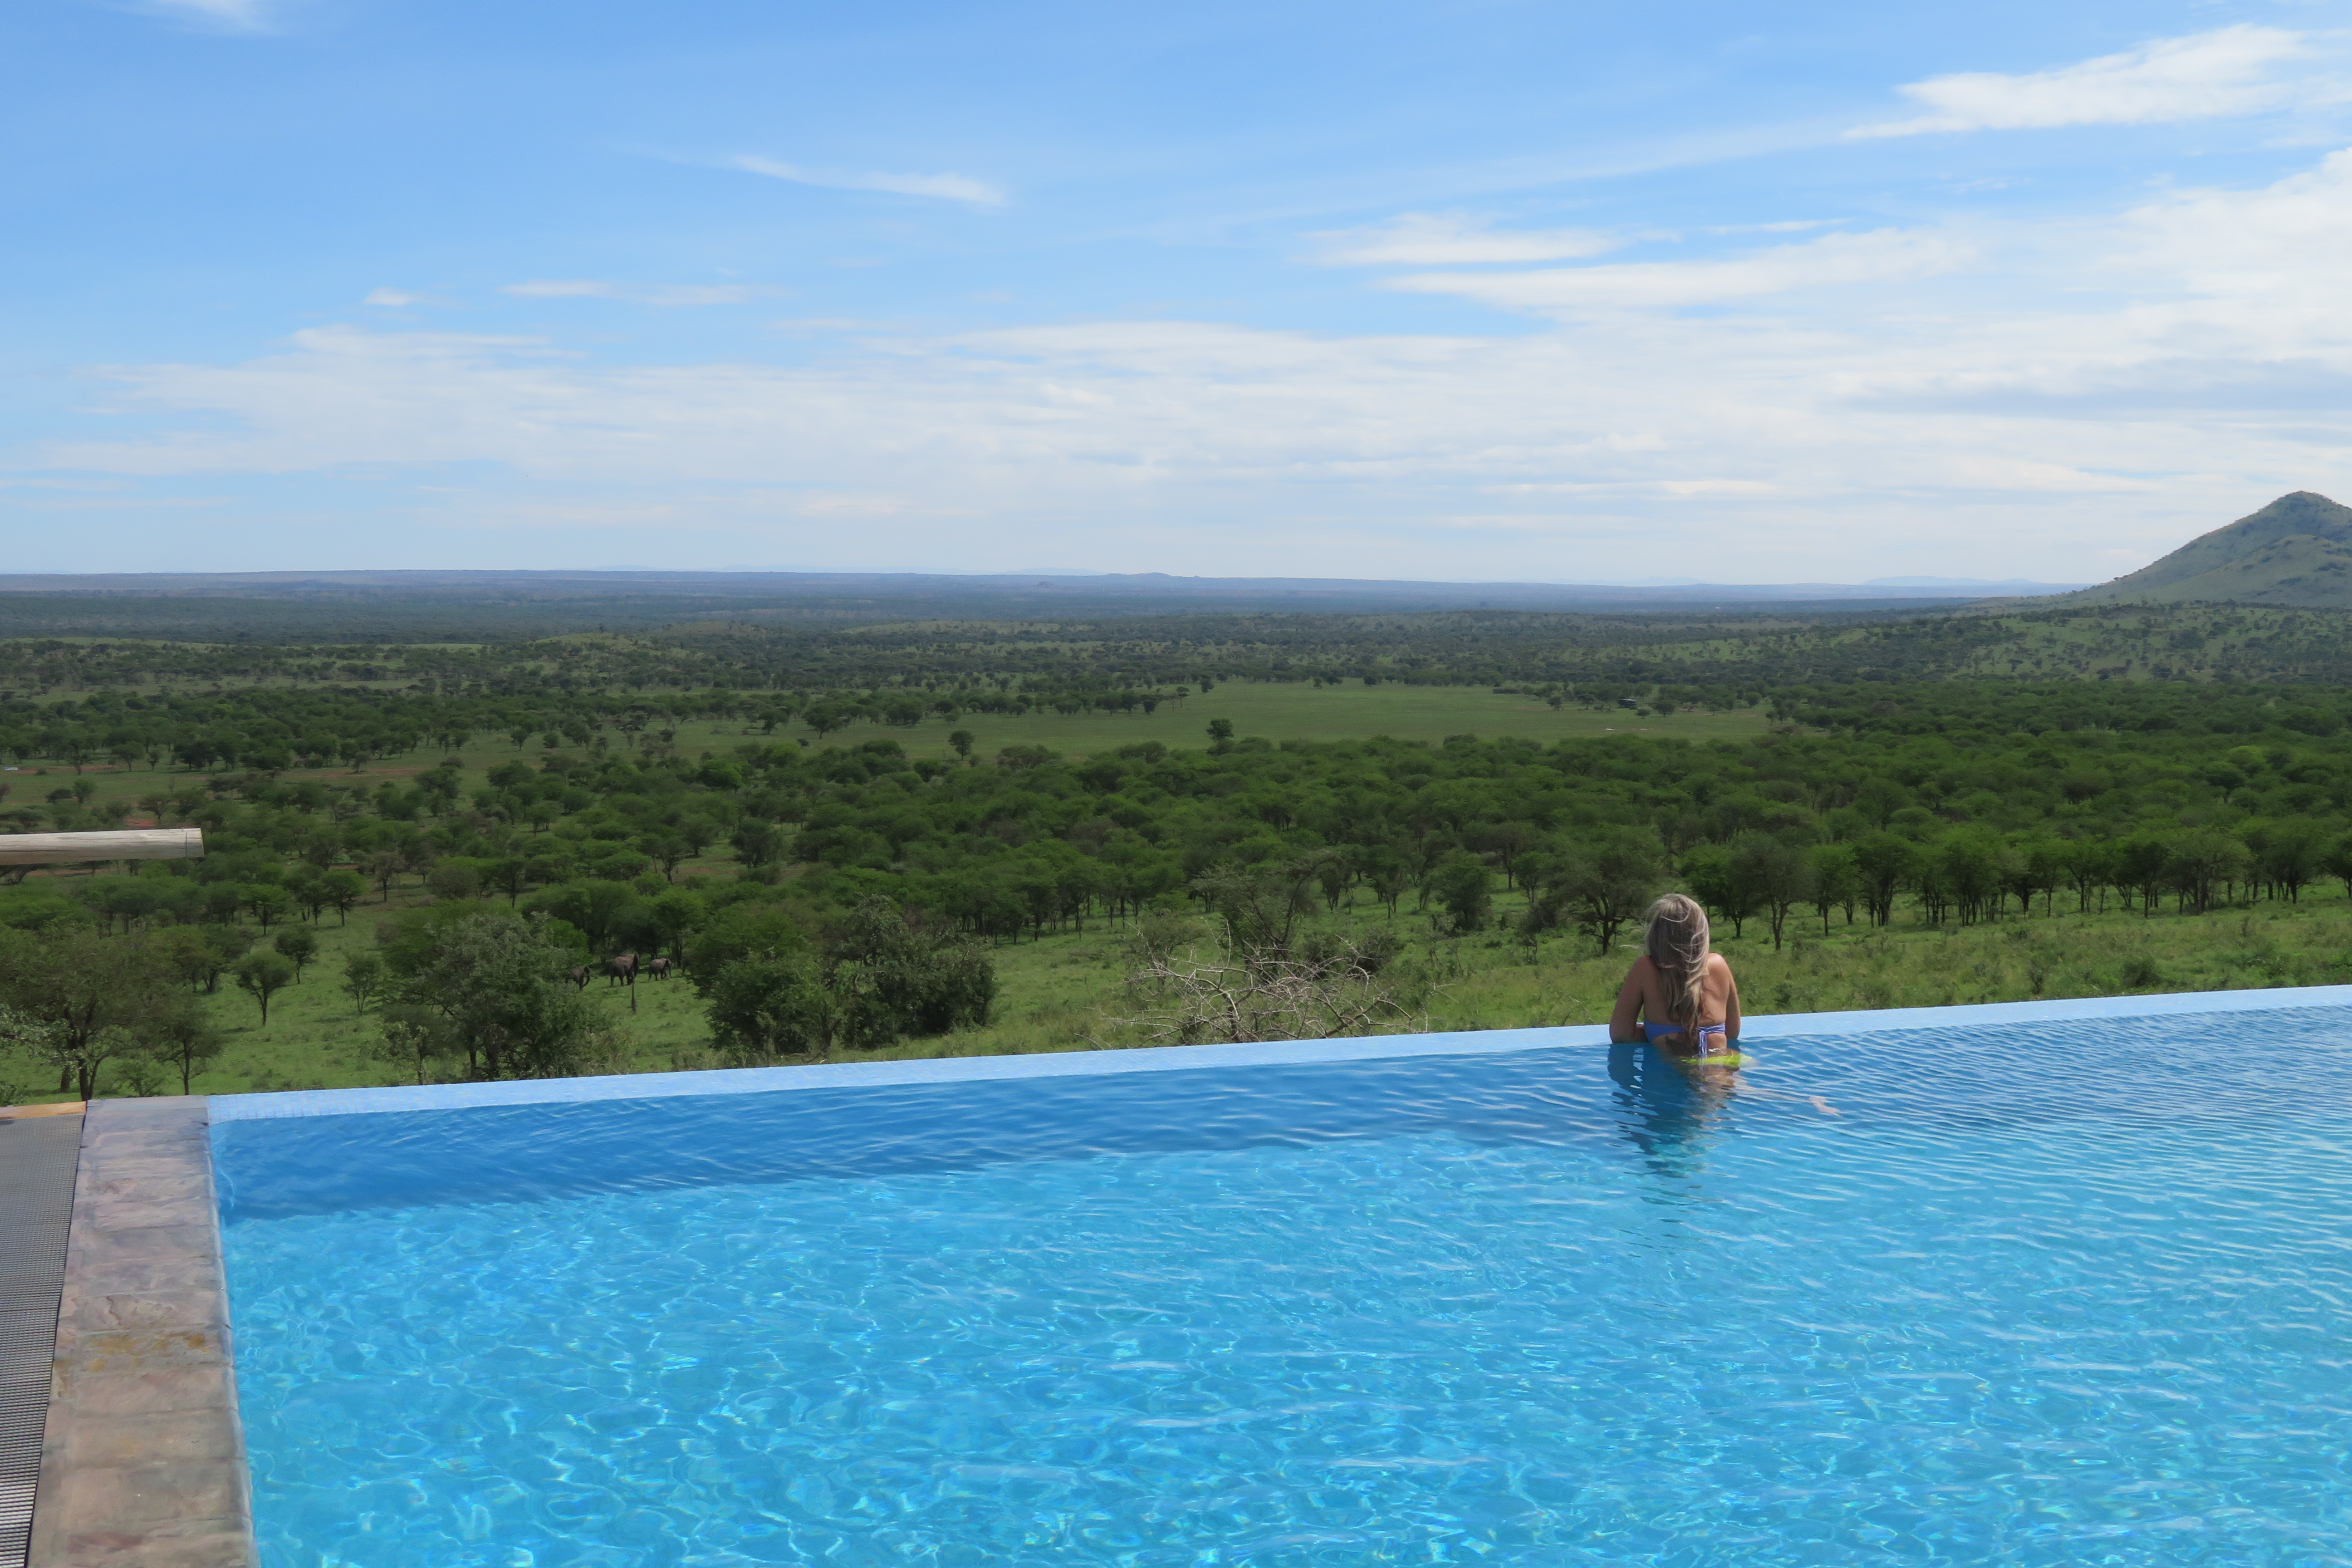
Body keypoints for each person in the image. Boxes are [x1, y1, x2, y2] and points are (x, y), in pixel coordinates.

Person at [1609, 893, 1742, 1062]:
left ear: (1656, 934)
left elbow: (1621, 1035)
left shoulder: (1646, 967)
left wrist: (1656, 1033)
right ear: (1702, 933)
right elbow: (1732, 1032)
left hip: (1670, 1066)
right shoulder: (1719, 964)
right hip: (1722, 1058)